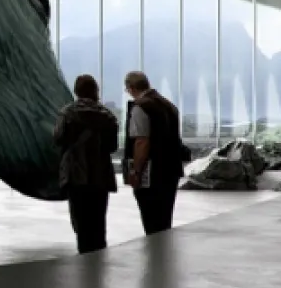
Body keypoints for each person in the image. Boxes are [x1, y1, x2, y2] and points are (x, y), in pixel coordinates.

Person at [54, 74, 119, 253]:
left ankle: (84, 253)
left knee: (80, 221)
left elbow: (58, 139)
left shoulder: (67, 113)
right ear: (95, 90)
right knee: (98, 220)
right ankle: (98, 254)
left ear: (76, 91)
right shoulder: (107, 115)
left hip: (75, 173)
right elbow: (112, 147)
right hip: (100, 174)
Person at [122, 71, 184, 235]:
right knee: (164, 220)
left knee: (151, 219)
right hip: (171, 170)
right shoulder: (169, 106)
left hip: (152, 174)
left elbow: (141, 142)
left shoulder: (141, 107)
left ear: (132, 88)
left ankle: (154, 249)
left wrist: (136, 171)